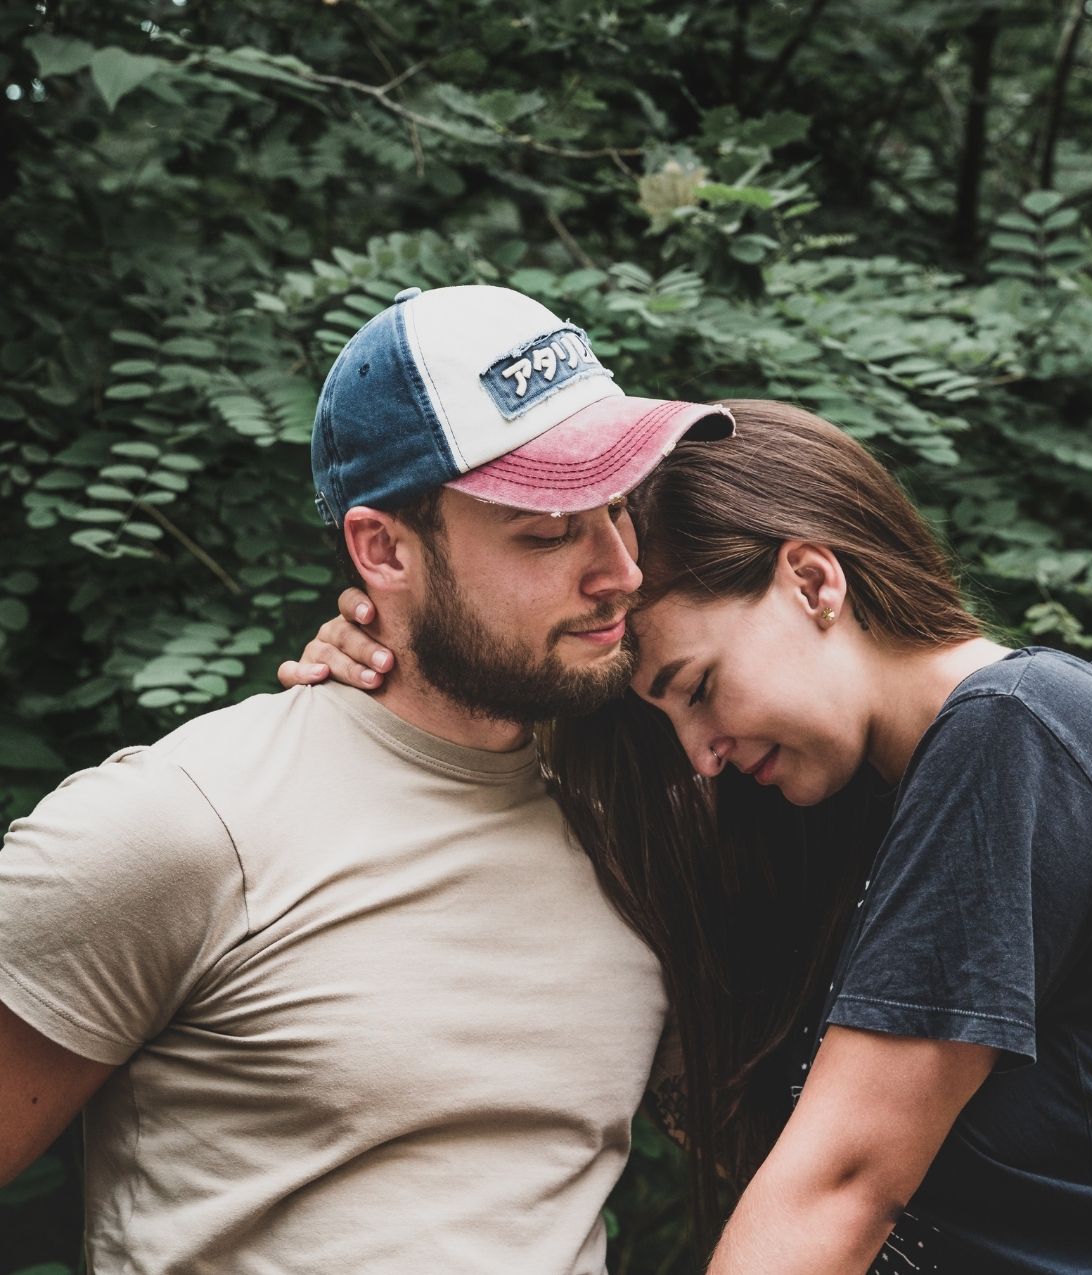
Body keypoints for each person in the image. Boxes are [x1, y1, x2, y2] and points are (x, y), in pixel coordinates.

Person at [288, 400, 1092, 1273]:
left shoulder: (1016, 735)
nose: (702, 754)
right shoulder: (846, 809)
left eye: (697, 688)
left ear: (812, 581)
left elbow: (838, 1186)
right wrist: (420, 665)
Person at [0, 283, 734, 1274]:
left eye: (619, 507)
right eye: (550, 528)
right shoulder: (187, 824)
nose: (619, 568)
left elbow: (784, 1150)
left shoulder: (634, 824)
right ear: (382, 548)